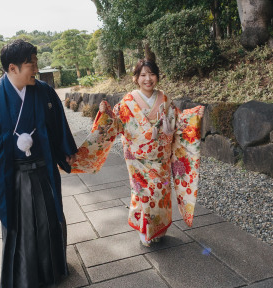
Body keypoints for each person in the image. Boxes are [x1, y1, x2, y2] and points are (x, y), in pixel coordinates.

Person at [0, 39, 77, 288]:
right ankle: (24, 282)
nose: (36, 68)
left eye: (35, 62)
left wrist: (66, 151)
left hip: (43, 170)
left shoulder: (45, 92)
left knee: (49, 221)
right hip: (10, 174)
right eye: (31, 64)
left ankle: (52, 272)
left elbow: (58, 125)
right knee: (18, 226)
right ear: (12, 68)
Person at [71, 59, 204, 246]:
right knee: (143, 194)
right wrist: (106, 115)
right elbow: (116, 124)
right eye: (143, 75)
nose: (148, 79)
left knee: (161, 194)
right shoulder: (127, 102)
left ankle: (158, 230)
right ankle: (145, 231)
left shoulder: (165, 100)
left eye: (151, 74)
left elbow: (180, 123)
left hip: (161, 158)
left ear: (157, 76)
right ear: (136, 78)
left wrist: (193, 116)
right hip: (137, 159)